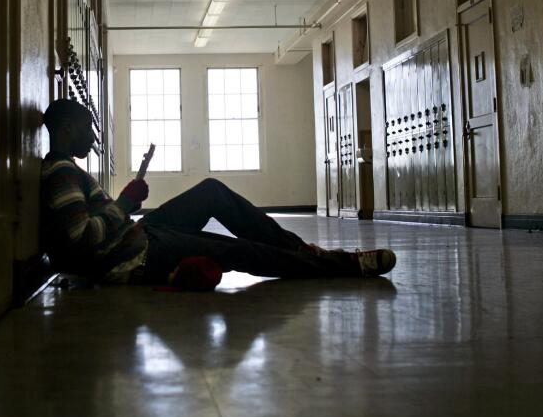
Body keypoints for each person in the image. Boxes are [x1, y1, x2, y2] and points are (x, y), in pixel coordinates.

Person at [39, 98, 396, 289]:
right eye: (87, 129)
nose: (92, 137)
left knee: (211, 191)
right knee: (237, 251)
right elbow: (82, 240)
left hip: (137, 236)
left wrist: (124, 205)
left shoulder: (67, 169)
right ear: (67, 128)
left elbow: (95, 224)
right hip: (132, 257)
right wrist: (124, 203)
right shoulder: (62, 174)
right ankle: (345, 264)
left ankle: (301, 250)